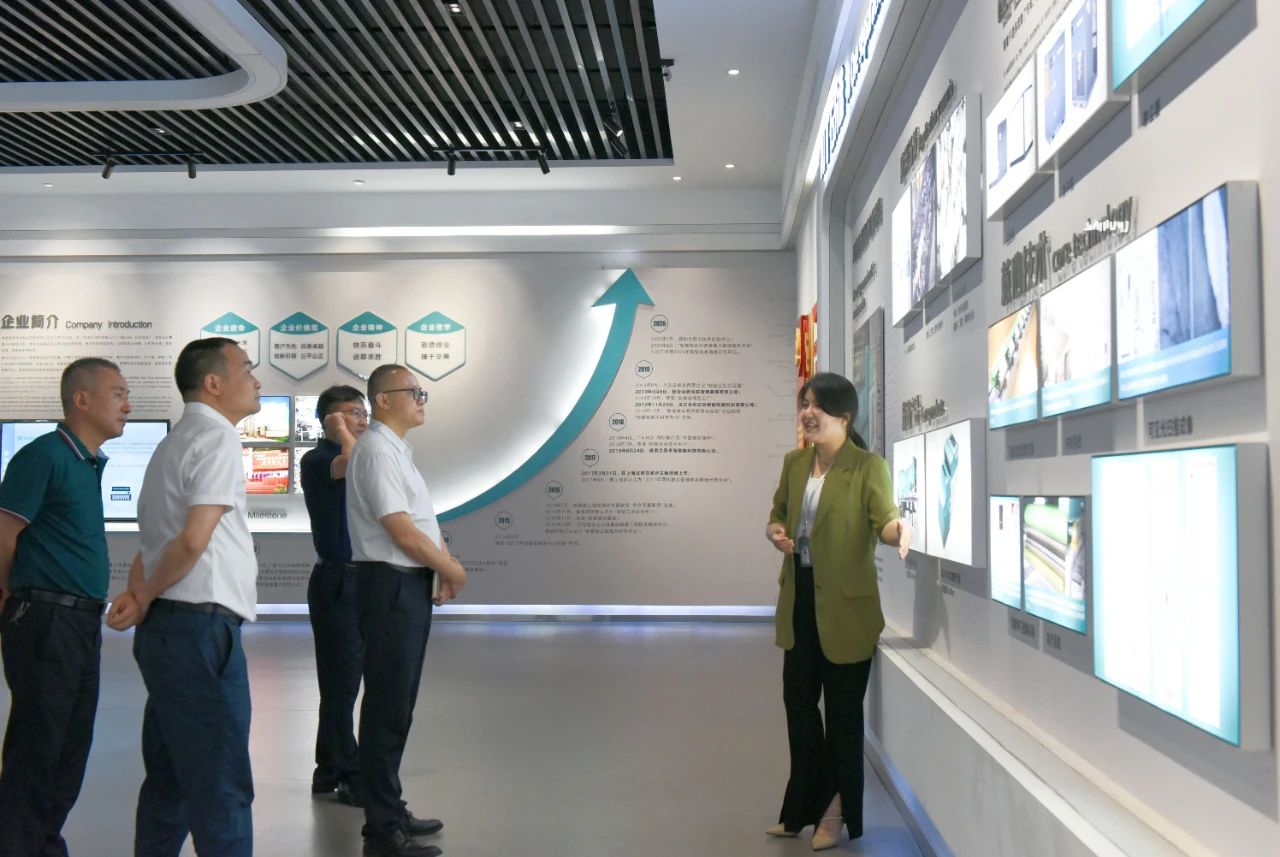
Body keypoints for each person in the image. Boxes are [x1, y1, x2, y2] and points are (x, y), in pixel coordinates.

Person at [106, 337, 261, 857]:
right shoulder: (217, 440)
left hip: (172, 633)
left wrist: (141, 595)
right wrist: (145, 593)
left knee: (170, 780)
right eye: (246, 369)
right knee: (221, 785)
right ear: (213, 383)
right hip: (201, 631)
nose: (256, 380)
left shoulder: (172, 443)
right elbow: (193, 540)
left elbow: (152, 542)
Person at [763, 372, 912, 851]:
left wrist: (898, 531)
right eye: (804, 403)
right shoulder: (794, 463)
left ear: (844, 417)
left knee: (843, 719)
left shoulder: (867, 467)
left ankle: (834, 812)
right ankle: (800, 809)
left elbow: (883, 518)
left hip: (847, 611)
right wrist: (775, 532)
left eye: (818, 406)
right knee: (799, 710)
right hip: (800, 601)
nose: (807, 413)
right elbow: (778, 514)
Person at [0, 358, 131, 857]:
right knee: (39, 747)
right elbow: (4, 534)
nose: (127, 404)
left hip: (79, 621)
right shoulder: (44, 456)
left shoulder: (86, 462)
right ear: (82, 399)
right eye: (117, 393)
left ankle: (43, 844)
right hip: (45, 618)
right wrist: (10, 595)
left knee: (69, 749)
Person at [346, 364, 467, 857]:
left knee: (397, 705)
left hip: (405, 586)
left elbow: (421, 523)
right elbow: (401, 531)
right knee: (387, 707)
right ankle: (381, 829)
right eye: (413, 391)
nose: (421, 399)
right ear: (383, 399)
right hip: (389, 586)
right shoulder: (377, 451)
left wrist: (440, 569)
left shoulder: (396, 451)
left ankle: (390, 809)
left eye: (422, 392)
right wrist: (453, 570)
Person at [299, 385, 369, 806]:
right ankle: (345, 773)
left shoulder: (357, 453)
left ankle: (329, 770)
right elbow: (355, 462)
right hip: (337, 580)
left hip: (362, 579)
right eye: (350, 413)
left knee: (347, 684)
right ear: (328, 419)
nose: (360, 420)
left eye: (362, 412)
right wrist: (343, 432)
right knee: (341, 685)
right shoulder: (318, 459)